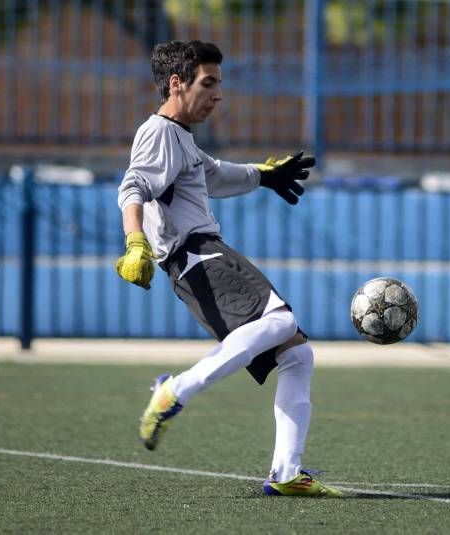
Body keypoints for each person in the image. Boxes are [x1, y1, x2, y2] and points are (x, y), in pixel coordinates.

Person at [116, 40, 342, 498]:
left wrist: (264, 174)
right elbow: (132, 187)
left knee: (297, 353)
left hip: (196, 259)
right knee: (280, 320)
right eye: (209, 82)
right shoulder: (159, 131)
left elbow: (214, 174)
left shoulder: (181, 138)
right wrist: (135, 242)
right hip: (197, 254)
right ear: (177, 83)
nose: (219, 94)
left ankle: (286, 473)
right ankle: (175, 390)